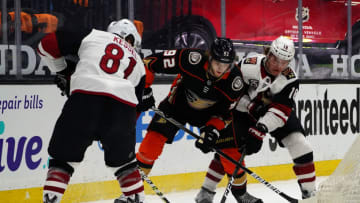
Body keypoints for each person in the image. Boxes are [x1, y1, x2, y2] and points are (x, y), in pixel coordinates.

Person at [113, 38, 244, 201]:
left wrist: (213, 129)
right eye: (218, 62)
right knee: (150, 147)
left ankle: (240, 194)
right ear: (209, 56)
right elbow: (148, 62)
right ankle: (133, 193)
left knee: (230, 152)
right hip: (176, 107)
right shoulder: (190, 59)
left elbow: (226, 114)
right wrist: (144, 88)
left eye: (226, 64)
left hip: (209, 115)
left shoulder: (235, 81)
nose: (221, 68)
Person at [37, 19, 151, 203]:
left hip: (85, 98)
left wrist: (63, 72)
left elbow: (45, 45)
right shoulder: (138, 62)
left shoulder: (93, 35)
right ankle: (136, 198)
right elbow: (135, 109)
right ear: (130, 39)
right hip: (122, 109)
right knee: (125, 166)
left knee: (63, 161)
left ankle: (51, 199)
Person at [195, 36, 316, 203]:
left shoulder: (290, 80)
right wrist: (251, 107)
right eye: (276, 60)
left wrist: (260, 128)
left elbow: (280, 112)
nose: (279, 66)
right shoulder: (247, 66)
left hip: (273, 115)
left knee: (301, 145)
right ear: (269, 54)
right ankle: (206, 192)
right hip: (243, 111)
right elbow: (233, 94)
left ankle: (310, 196)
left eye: (284, 62)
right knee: (229, 146)